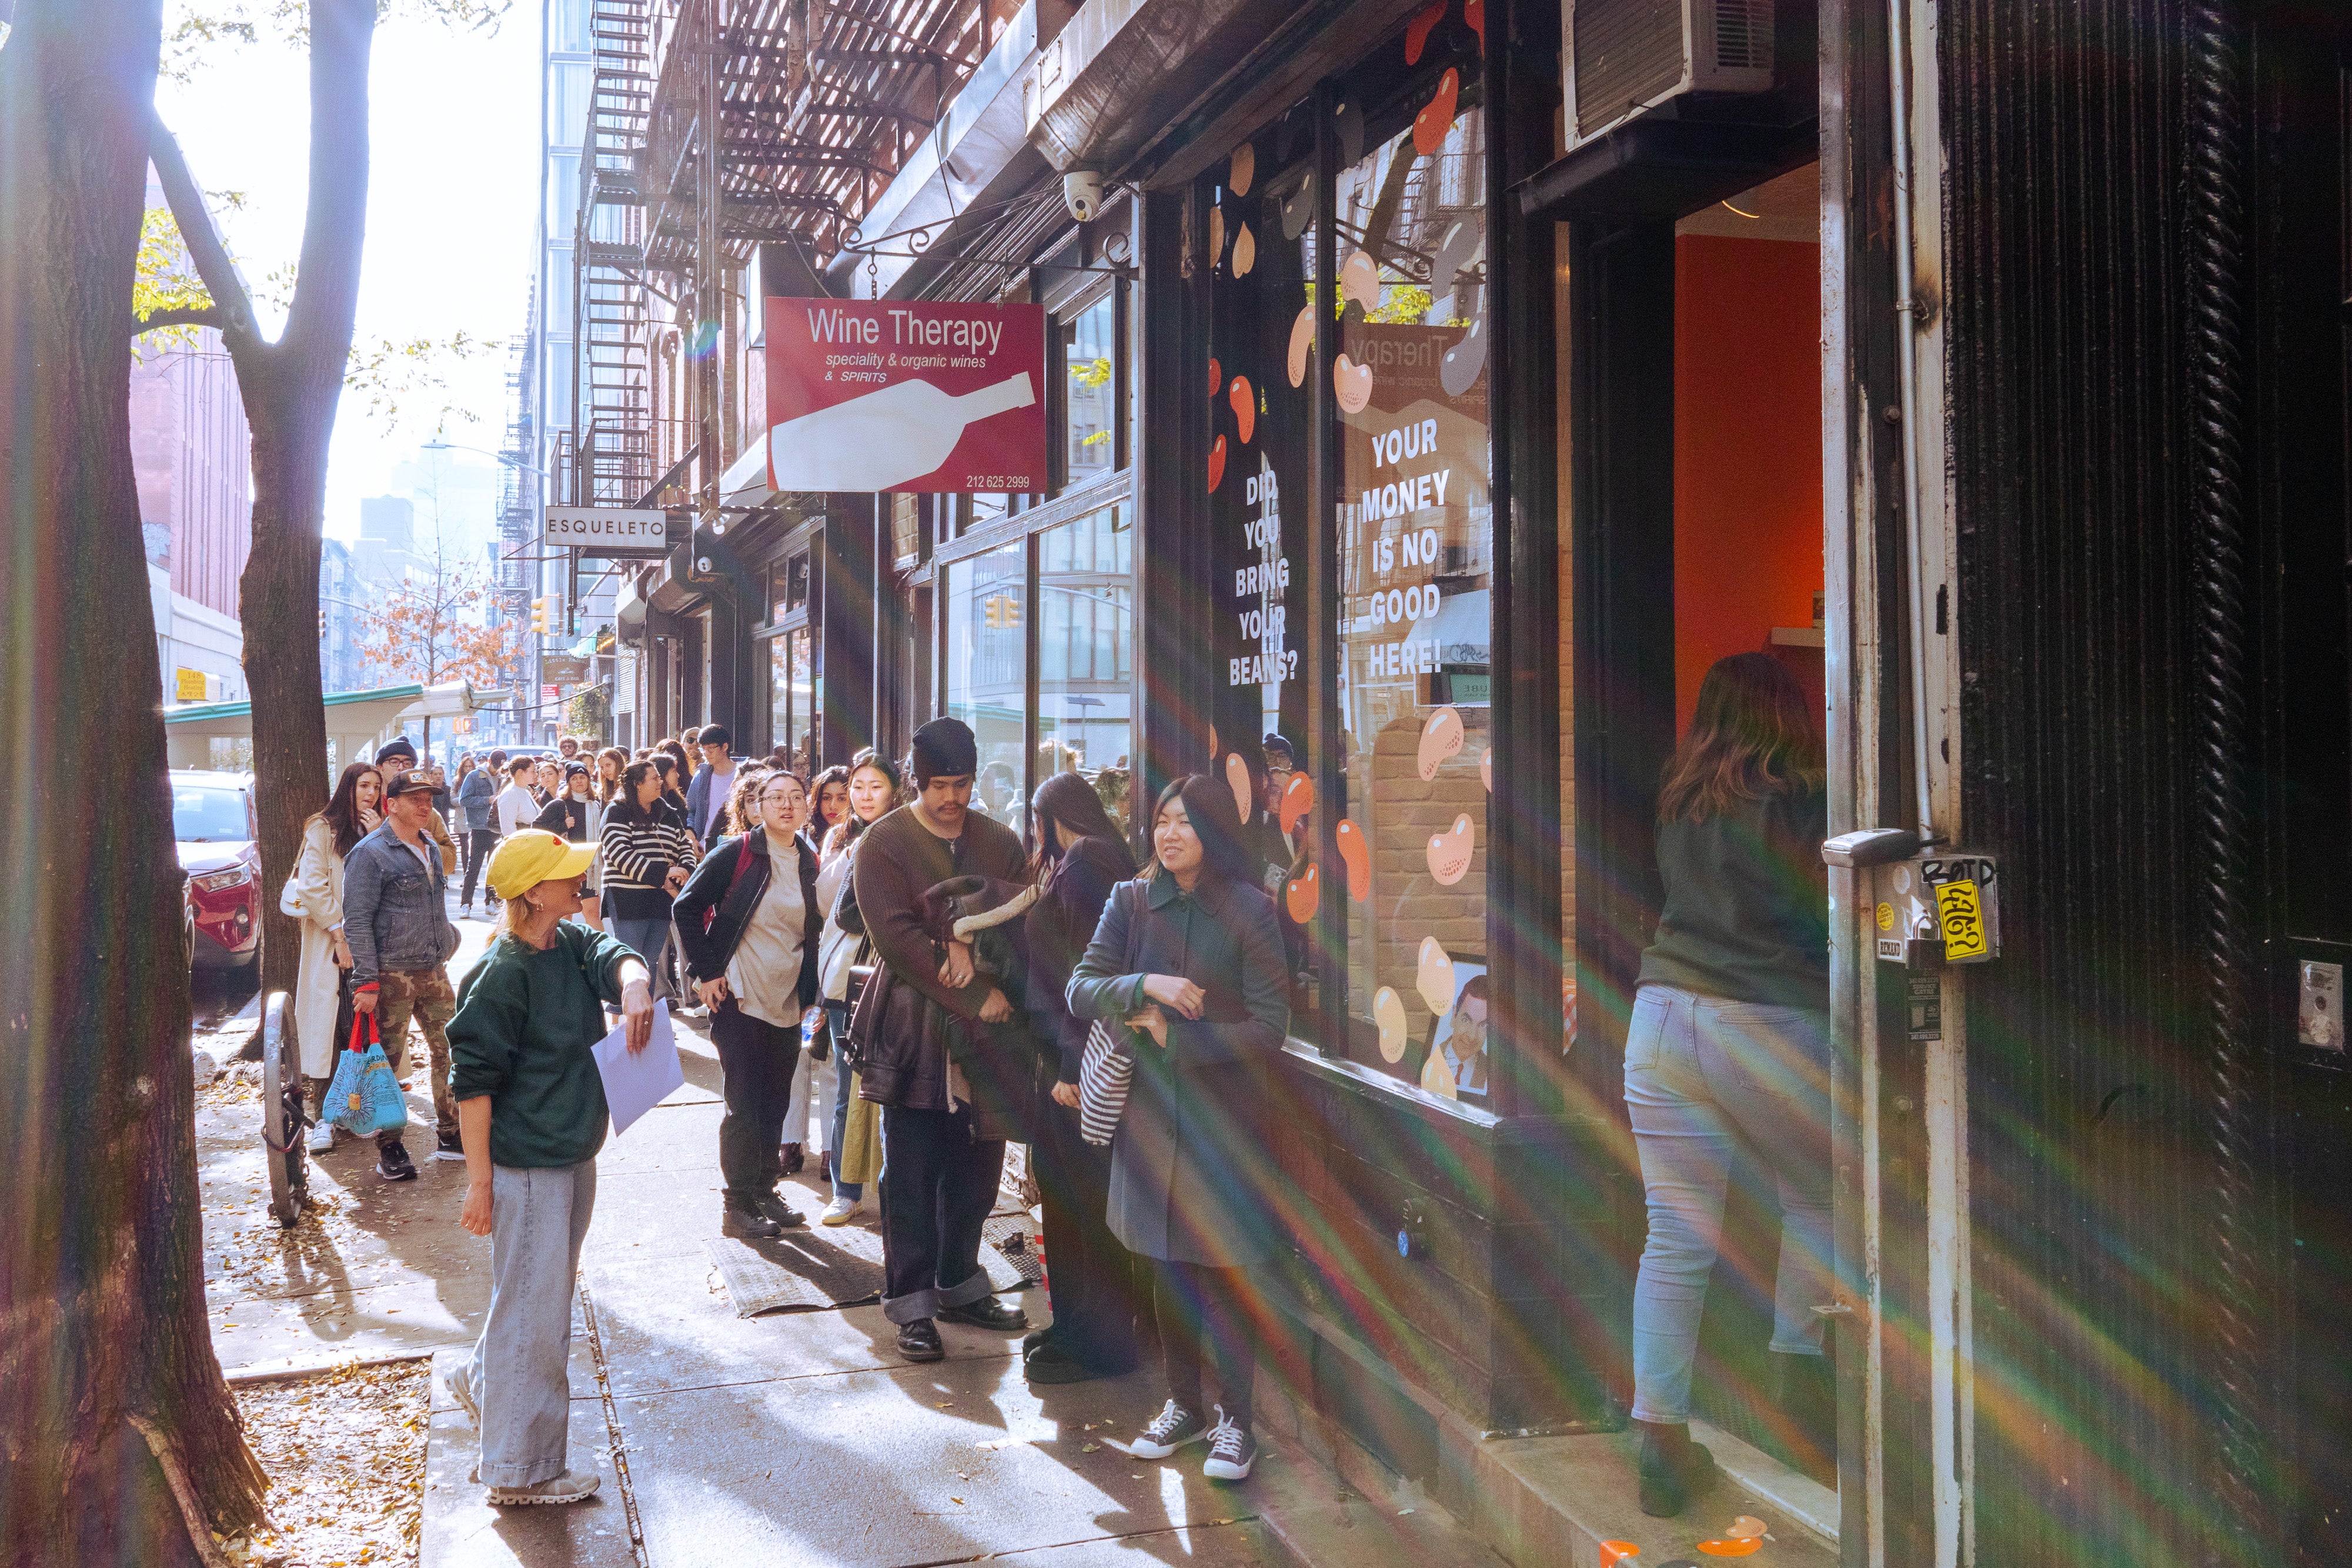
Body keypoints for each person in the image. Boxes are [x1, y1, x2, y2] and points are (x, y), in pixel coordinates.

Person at [1622, 651, 1833, 1513]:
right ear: (1786, 712)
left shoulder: (1684, 800)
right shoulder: (1803, 800)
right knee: (1821, 1195)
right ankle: (1804, 1390)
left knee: (1674, 1238)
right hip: (1763, 1022)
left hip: (1663, 1017)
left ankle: (1660, 1442)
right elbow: (1827, 918)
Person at [1068, 774, 1289, 1483]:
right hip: (1148, 1120)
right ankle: (1183, 1406)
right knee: (1162, 1266)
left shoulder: (1252, 909)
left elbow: (1272, 1027)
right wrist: (1145, 988)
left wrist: (1175, 1040)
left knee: (1224, 1273)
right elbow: (1081, 987)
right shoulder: (1129, 900)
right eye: (1162, 820)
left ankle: (1237, 1424)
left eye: (1186, 823)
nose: (1168, 834)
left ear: (1215, 833)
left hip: (1225, 1122)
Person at [446, 828, 655, 1507]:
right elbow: (470, 1088)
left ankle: (482, 1384)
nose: (579, 882)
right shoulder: (502, 973)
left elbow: (609, 951)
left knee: (531, 1300)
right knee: (537, 1315)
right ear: (535, 894)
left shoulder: (564, 943)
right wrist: (481, 1185)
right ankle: (520, 1471)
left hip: (569, 1153)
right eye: (566, 876)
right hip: (530, 1167)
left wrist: (635, 985)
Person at [850, 718, 1031, 1362]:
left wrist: (964, 933)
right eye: (936, 786)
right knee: (911, 1177)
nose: (949, 799)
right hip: (913, 1031)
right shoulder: (884, 842)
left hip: (989, 1040)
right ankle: (912, 1306)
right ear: (914, 781)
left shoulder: (999, 839)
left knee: (978, 1174)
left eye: (959, 785)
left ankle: (960, 1284)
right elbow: (894, 940)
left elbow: (1024, 912)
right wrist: (965, 979)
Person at [1021, 770, 1143, 1384]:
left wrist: (1069, 1062)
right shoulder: (1100, 859)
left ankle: (1096, 1339)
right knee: (1078, 1197)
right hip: (1077, 1054)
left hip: (1078, 1061)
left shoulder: (1085, 863)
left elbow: (1081, 968)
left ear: (1049, 817)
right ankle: (1078, 1328)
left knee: (1077, 1198)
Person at [673, 768, 823, 1238]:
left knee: (776, 1099)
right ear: (757, 805)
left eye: (796, 797)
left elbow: (813, 936)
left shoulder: (809, 860)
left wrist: (810, 996)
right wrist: (706, 972)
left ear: (805, 807)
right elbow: (686, 907)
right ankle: (736, 1205)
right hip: (738, 994)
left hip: (786, 998)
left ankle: (764, 1189)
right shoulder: (737, 852)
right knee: (745, 1103)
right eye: (775, 797)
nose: (786, 805)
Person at [343, 768, 466, 1176]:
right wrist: (367, 980)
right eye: (414, 796)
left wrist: (448, 941)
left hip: (433, 970)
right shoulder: (370, 853)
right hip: (390, 975)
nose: (424, 802)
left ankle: (450, 1133)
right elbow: (357, 920)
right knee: (387, 1061)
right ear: (390, 804)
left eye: (428, 796)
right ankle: (390, 1148)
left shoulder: (430, 845)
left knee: (451, 1049)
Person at [814, 749, 901, 1222]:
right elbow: (838, 910)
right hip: (848, 976)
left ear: (895, 790)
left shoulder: (907, 834)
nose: (866, 796)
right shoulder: (844, 836)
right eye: (859, 787)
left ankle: (894, 1189)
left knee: (893, 1091)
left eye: (877, 786)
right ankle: (846, 1189)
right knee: (849, 1088)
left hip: (897, 976)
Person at [286, 760, 382, 1154]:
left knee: (357, 1028)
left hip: (370, 942)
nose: (371, 793)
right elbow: (312, 886)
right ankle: (324, 1115)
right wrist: (339, 935)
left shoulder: (376, 828)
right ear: (348, 787)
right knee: (328, 1029)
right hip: (332, 941)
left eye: (376, 786)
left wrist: (379, 836)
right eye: (364, 785)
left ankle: (355, 1109)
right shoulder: (322, 828)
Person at [777, 764, 852, 1175]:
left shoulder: (858, 840)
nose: (835, 806)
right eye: (828, 797)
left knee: (829, 1056)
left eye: (843, 796)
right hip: (802, 959)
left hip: (837, 961)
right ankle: (791, 1138)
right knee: (800, 1050)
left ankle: (830, 1147)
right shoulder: (800, 843)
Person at [599, 760, 698, 1007]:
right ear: (637, 784)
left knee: (650, 962)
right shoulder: (617, 811)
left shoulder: (668, 812)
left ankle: (647, 1023)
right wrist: (664, 875)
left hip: (661, 898)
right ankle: (622, 1024)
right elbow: (619, 854)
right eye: (654, 778)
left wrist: (685, 871)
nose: (660, 781)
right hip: (627, 897)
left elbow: (685, 847)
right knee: (630, 962)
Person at [535, 762, 607, 930]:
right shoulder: (560, 804)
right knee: (565, 915)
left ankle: (599, 953)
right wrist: (562, 826)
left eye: (582, 777)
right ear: (568, 783)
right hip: (567, 867)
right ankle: (563, 951)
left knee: (593, 914)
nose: (579, 781)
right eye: (574, 779)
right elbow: (536, 827)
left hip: (591, 868)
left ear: (589, 780)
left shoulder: (596, 804)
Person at [377, 737, 458, 875]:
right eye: (394, 761)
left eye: (407, 762)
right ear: (380, 767)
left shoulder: (428, 813)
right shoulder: (368, 806)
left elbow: (450, 864)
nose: (401, 767)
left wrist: (429, 845)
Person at [456, 752, 502, 918]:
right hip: (479, 827)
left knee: (494, 867)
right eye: (495, 765)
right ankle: (466, 904)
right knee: (474, 866)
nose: (498, 769)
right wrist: (487, 800)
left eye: (500, 766)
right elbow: (464, 800)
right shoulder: (474, 776)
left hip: (497, 828)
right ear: (489, 761)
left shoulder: (503, 777)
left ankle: (491, 901)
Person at [685, 723, 738, 843]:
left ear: (724, 747)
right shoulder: (701, 777)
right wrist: (693, 837)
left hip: (738, 843)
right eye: (703, 749)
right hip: (707, 846)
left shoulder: (742, 774)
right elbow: (690, 811)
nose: (706, 753)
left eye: (711, 748)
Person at [495, 757, 539, 842]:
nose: (536, 775)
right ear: (520, 772)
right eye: (533, 771)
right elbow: (508, 831)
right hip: (522, 846)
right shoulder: (510, 794)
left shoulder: (525, 791)